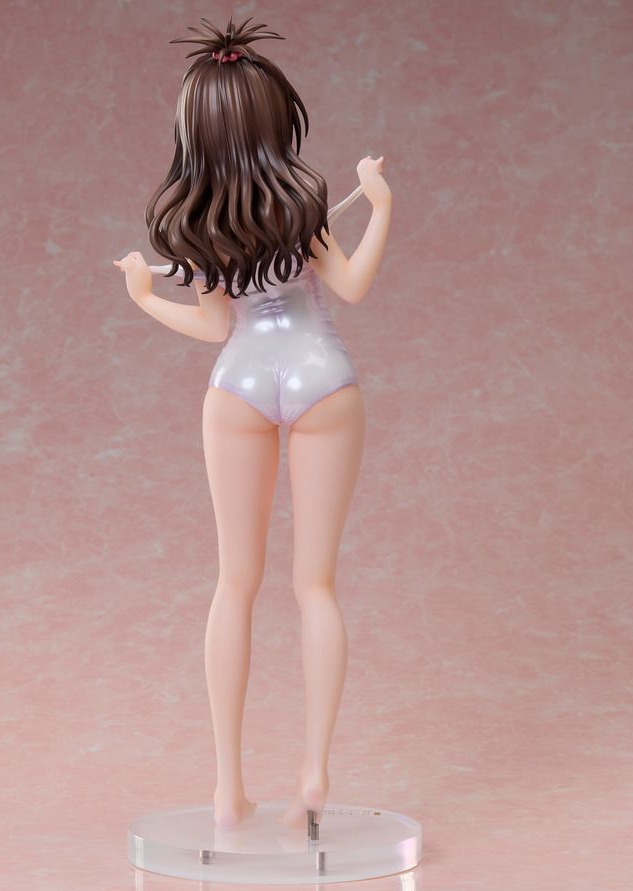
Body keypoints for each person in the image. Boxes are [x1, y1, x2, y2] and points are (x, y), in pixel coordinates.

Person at [112, 14, 392, 831]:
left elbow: (212, 327)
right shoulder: (305, 199)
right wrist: (379, 204)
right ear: (276, 116)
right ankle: (315, 772)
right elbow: (352, 287)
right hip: (322, 379)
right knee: (316, 585)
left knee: (235, 583)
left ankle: (227, 787)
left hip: (237, 385)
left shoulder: (193, 217)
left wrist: (142, 296)